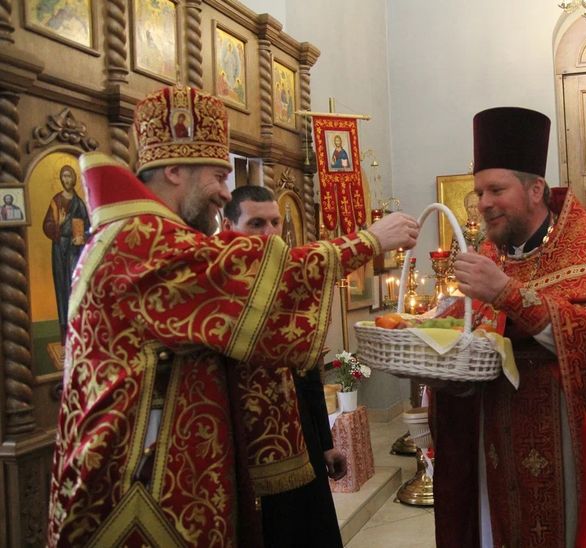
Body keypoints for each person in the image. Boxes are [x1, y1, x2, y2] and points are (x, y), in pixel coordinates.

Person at [47, 83, 419, 548]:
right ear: (175, 169)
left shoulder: (145, 237)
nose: (225, 193)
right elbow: (258, 277)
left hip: (159, 479)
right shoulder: (139, 241)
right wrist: (369, 240)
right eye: (219, 176)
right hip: (135, 496)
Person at [435, 107, 586, 548]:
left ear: (535, 189)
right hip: (495, 435)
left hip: (564, 436)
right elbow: (471, 331)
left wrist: (508, 294)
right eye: (479, 192)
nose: (483, 203)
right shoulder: (492, 250)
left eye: (496, 190)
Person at [222, 185, 345, 547]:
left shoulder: (288, 280)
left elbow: (307, 370)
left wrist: (325, 444)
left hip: (300, 436)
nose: (269, 233)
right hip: (243, 441)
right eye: (256, 224)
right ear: (228, 226)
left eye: (275, 222)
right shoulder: (219, 283)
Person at [42, 164, 90, 342]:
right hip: (59, 248)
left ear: (74, 179)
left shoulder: (79, 203)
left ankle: (79, 331)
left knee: (74, 287)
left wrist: (82, 237)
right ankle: (65, 334)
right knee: (62, 288)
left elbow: (88, 227)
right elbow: (46, 226)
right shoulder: (56, 201)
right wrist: (59, 224)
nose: (67, 180)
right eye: (64, 177)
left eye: (69, 176)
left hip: (75, 250)